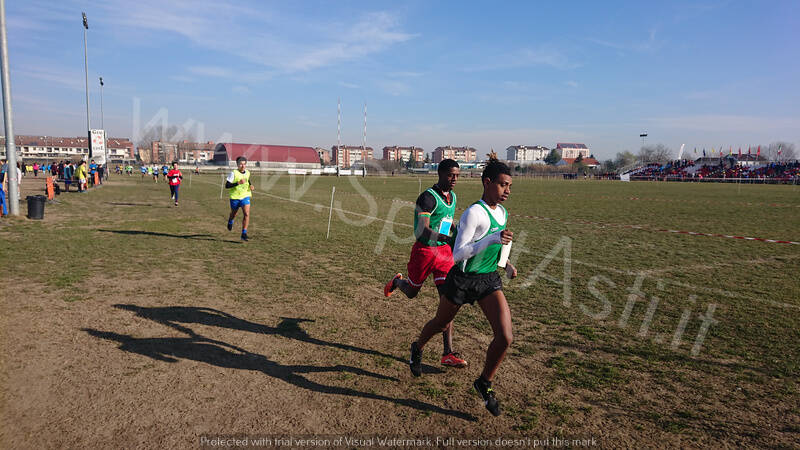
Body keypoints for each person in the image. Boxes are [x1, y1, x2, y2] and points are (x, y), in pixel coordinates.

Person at [408, 157, 517, 417]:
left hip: (488, 279)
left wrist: (506, 264)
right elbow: (457, 254)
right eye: (503, 185)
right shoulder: (473, 213)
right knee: (440, 323)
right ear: (487, 182)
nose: (507, 191)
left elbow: (494, 245)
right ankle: (418, 347)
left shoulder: (502, 213)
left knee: (505, 337)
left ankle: (484, 383)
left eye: (510, 186)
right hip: (463, 280)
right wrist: (492, 238)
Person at [384, 159, 466, 368]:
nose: (455, 179)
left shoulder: (452, 196)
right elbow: (423, 230)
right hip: (424, 251)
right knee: (412, 292)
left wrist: (458, 232)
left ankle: (447, 353)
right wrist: (447, 238)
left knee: (448, 304)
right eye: (450, 175)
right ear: (439, 174)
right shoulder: (427, 198)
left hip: (444, 254)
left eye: (457, 175)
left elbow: (447, 220)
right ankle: (397, 282)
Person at [225, 156, 253, 241]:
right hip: (235, 197)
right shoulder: (233, 173)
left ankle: (244, 233)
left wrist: (251, 185)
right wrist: (238, 183)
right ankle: (230, 220)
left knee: (246, 214)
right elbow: (227, 185)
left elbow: (248, 180)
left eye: (244, 164)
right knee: (234, 214)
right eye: (241, 164)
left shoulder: (247, 172)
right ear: (237, 165)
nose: (243, 166)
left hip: (245, 195)